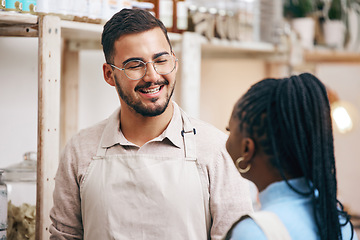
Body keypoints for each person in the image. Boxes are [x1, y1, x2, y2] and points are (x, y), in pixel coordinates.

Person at [49, 8, 253, 240]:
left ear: (174, 61)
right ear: (109, 75)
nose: (152, 76)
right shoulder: (80, 150)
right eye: (135, 65)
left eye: (161, 60)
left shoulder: (216, 150)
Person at [224, 73, 358, 240]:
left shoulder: (253, 232)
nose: (225, 139)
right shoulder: (339, 223)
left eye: (229, 130)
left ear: (247, 150)